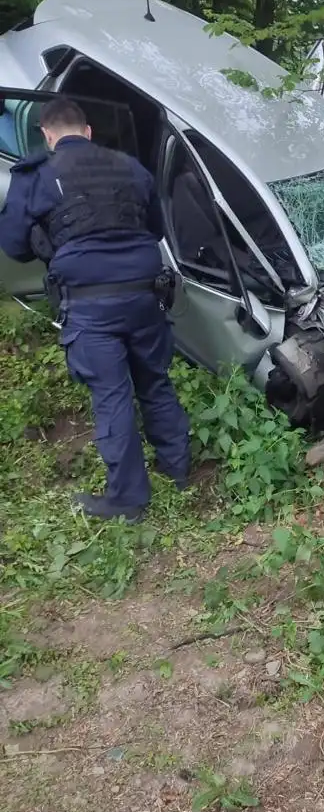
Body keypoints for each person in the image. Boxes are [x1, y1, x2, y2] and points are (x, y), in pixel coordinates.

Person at [0, 97, 190, 522]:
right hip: (145, 295)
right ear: (88, 132)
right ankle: (177, 471)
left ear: (48, 136)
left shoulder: (37, 175)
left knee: (112, 394)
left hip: (91, 305)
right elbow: (156, 228)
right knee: (155, 383)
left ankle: (127, 501)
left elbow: (12, 244)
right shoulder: (129, 166)